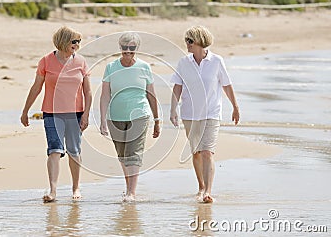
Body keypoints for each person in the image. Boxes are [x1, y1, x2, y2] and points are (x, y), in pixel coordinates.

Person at [21, 26, 92, 202]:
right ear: (63, 41)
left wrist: (86, 115)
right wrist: (25, 111)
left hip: (75, 113)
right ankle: (53, 190)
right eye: (73, 41)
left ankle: (76, 188)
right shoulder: (46, 61)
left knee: (74, 151)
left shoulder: (81, 62)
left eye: (79, 42)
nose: (77, 45)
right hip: (52, 113)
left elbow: (88, 93)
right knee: (54, 150)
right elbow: (36, 87)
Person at [170, 25, 239, 203]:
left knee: (207, 151)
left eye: (190, 41)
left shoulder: (217, 61)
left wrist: (235, 107)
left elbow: (226, 85)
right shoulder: (183, 62)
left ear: (200, 41)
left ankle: (208, 191)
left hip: (211, 113)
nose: (187, 44)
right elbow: (177, 87)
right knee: (196, 152)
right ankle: (200, 186)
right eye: (186, 40)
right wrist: (172, 109)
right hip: (189, 114)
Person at [100, 32, 160, 202]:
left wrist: (157, 120)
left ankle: (131, 192)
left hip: (139, 115)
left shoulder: (144, 67)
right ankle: (129, 188)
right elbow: (105, 95)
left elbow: (151, 95)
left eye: (132, 48)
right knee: (122, 156)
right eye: (125, 47)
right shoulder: (111, 67)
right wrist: (103, 120)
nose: (128, 51)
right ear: (120, 48)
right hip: (115, 117)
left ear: (137, 48)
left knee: (133, 154)